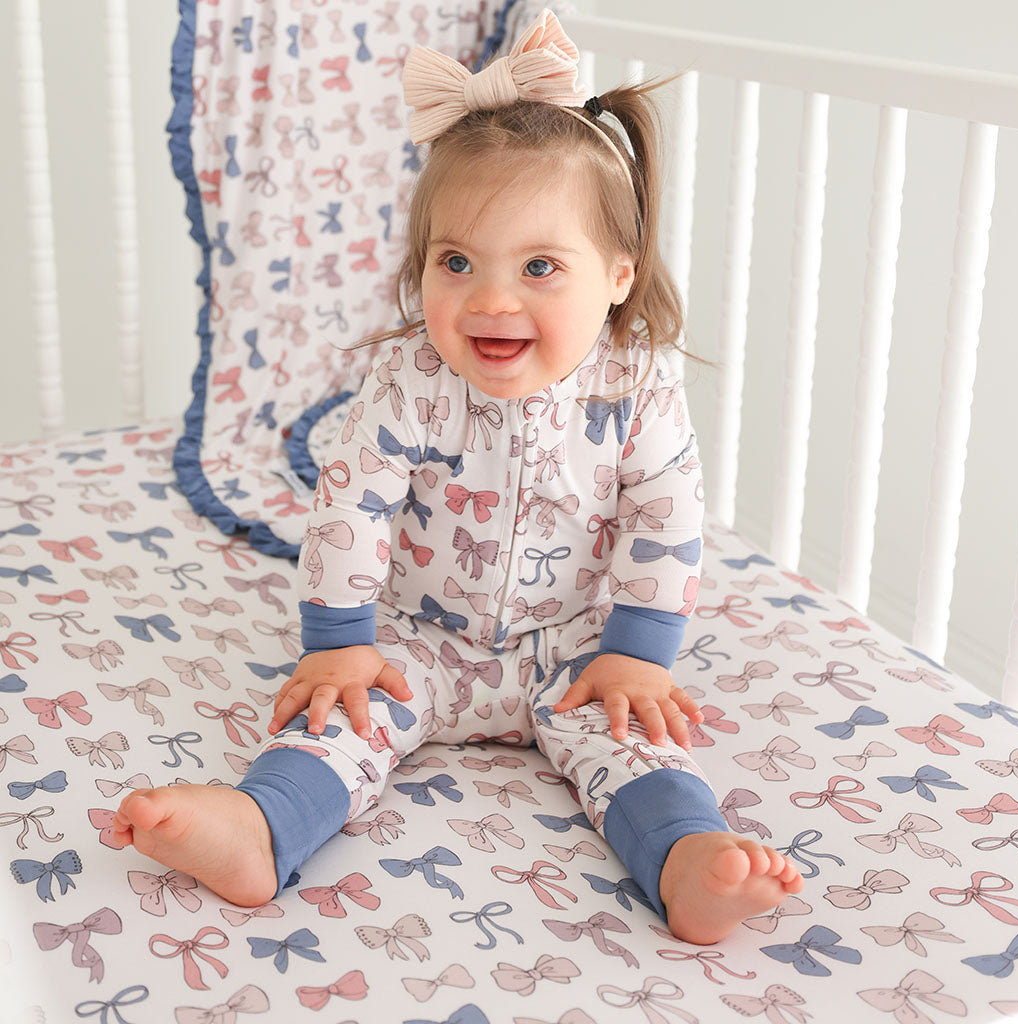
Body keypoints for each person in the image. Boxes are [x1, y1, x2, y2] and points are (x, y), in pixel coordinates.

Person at [114, 9, 802, 945]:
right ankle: (260, 828)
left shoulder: (636, 383)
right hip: (417, 636)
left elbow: (666, 514)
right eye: (457, 261)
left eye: (540, 266)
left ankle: (686, 862)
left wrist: (638, 650)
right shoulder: (410, 379)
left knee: (636, 742)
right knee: (339, 721)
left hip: (577, 644)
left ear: (618, 275)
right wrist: (340, 640)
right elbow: (351, 502)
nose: (490, 297)